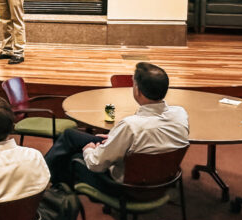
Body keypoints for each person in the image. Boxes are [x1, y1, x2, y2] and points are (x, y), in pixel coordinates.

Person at [44, 62, 189, 189]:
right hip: (162, 178)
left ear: (138, 90)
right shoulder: (180, 114)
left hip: (127, 185)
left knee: (74, 156)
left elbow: (96, 164)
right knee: (70, 136)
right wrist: (115, 138)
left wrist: (89, 151)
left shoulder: (130, 126)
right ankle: (45, 177)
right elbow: (154, 139)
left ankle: (43, 180)